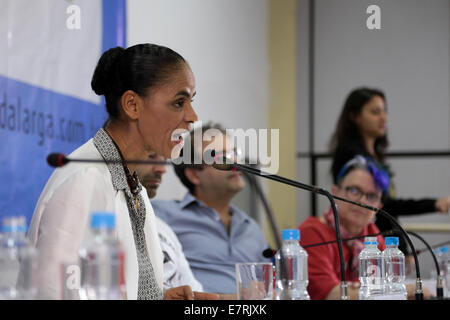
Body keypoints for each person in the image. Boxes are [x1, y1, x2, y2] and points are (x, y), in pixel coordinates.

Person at [26, 43, 216, 300]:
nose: (193, 116)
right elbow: (53, 295)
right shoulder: (85, 179)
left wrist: (158, 297)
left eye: (191, 102)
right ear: (132, 105)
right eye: (179, 102)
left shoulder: (132, 184)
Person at [329, 87, 450, 264]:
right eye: (375, 112)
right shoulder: (351, 155)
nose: (384, 117)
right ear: (354, 116)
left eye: (384, 111)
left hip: (386, 244)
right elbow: (383, 206)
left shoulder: (375, 156)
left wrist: (402, 247)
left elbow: (386, 208)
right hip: (367, 247)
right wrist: (434, 204)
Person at [152, 123, 271, 295]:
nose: (235, 162)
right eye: (222, 156)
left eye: (234, 153)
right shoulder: (162, 215)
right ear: (194, 174)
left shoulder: (251, 226)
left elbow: (268, 285)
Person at [298, 155, 432, 300]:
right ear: (335, 193)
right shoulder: (311, 232)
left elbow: (384, 286)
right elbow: (331, 294)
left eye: (371, 196)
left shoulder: (372, 235)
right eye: (354, 190)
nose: (362, 201)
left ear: (379, 206)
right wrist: (402, 291)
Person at [135, 152, 203, 292]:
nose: (163, 169)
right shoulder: (108, 225)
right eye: (151, 156)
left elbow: (196, 294)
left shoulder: (163, 228)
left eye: (164, 160)